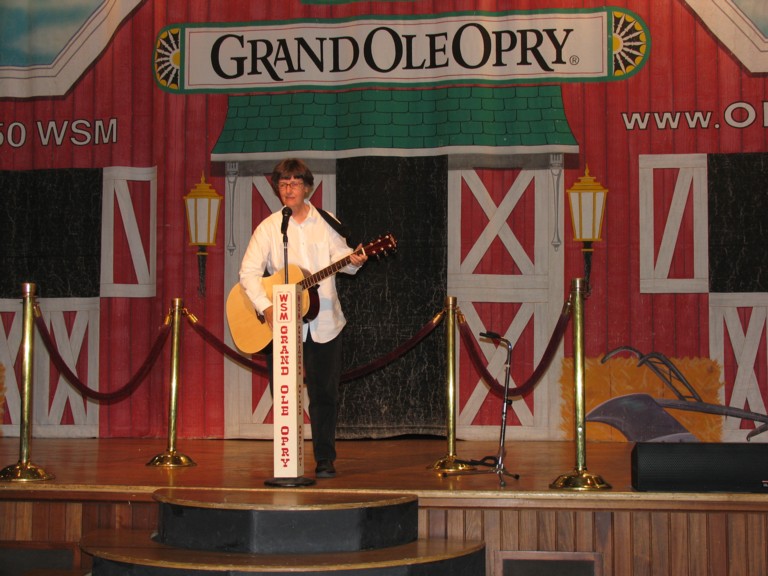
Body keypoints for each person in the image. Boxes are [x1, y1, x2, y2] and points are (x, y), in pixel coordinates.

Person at [239, 158, 368, 479]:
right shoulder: (270, 228)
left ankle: (324, 458)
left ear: (307, 187)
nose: (288, 190)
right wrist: (265, 306)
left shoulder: (326, 222)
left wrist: (356, 260)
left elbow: (345, 261)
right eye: (283, 185)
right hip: (278, 325)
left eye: (295, 184)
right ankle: (287, 458)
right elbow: (248, 273)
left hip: (323, 321)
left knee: (325, 392)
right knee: (283, 393)